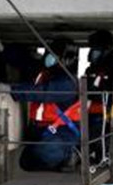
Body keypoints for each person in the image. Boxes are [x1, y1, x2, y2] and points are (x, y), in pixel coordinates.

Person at [11, 40, 81, 172]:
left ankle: (69, 155)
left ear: (65, 60)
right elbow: (25, 63)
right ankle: (56, 162)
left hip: (62, 131)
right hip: (41, 129)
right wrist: (3, 50)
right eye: (49, 54)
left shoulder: (68, 83)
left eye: (54, 55)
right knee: (26, 161)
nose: (49, 58)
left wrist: (14, 91)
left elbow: (43, 92)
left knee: (45, 152)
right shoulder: (47, 74)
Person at [84, 29, 113, 164]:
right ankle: (87, 154)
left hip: (106, 114)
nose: (93, 52)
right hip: (89, 112)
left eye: (96, 48)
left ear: (106, 49)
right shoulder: (92, 69)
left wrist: (93, 95)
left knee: (101, 137)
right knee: (88, 136)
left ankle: (102, 156)